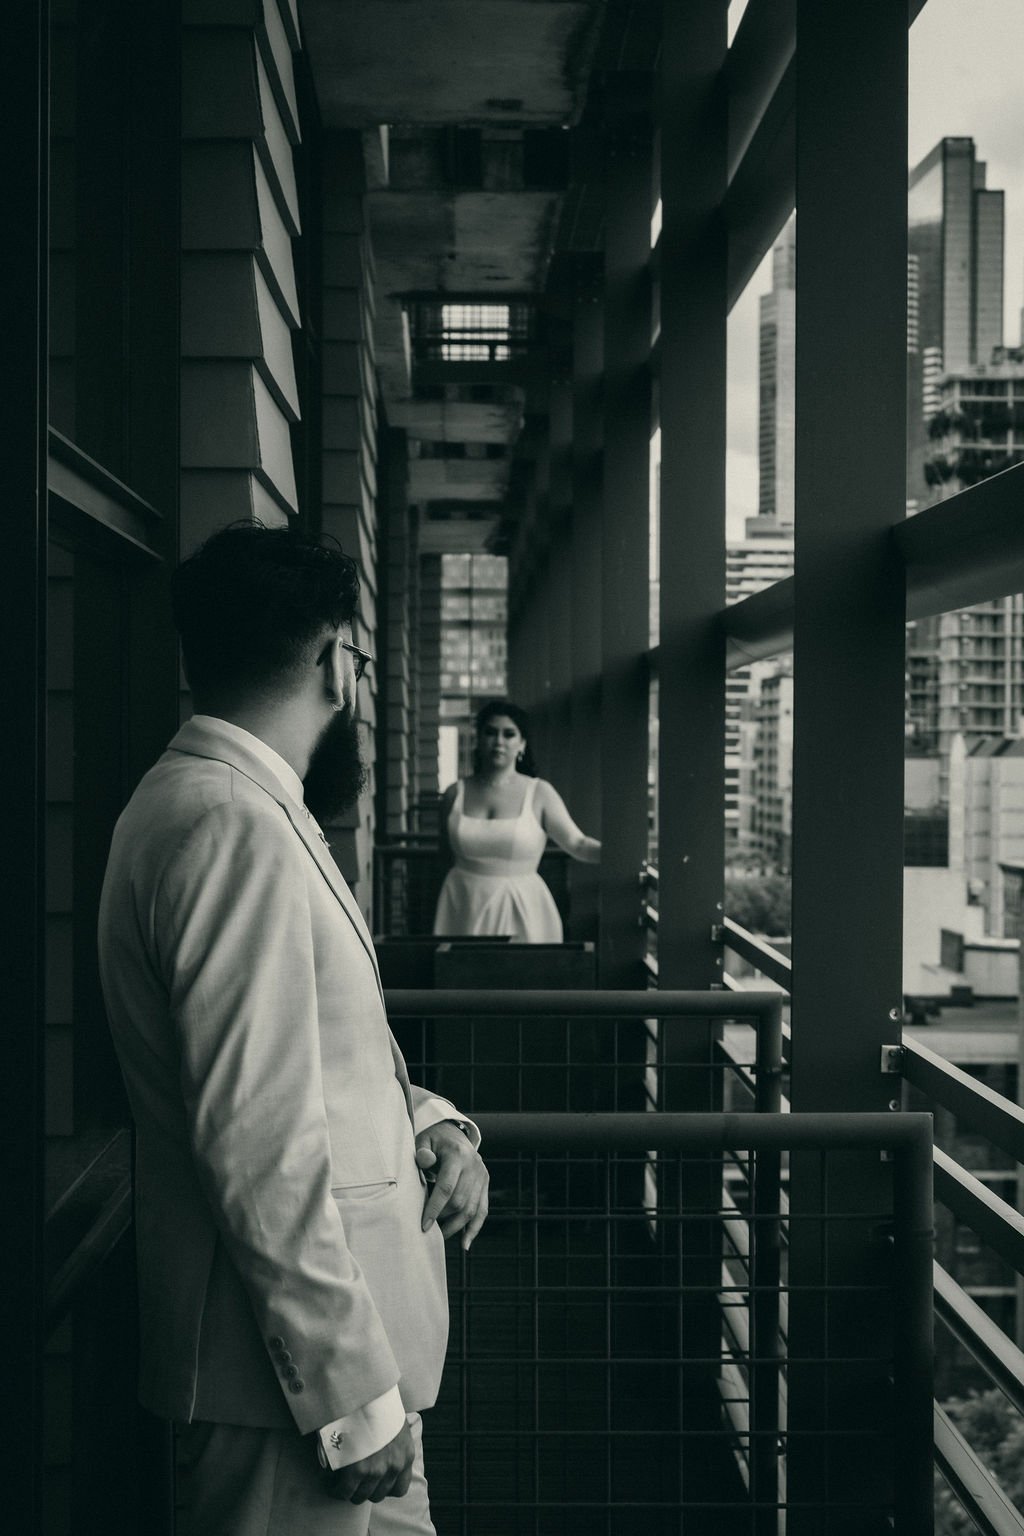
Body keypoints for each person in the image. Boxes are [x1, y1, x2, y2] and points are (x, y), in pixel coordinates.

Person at [97, 522, 488, 1536]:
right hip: (289, 1391)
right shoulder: (229, 822)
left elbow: (303, 1055)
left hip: (316, 1375)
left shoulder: (230, 804)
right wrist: (350, 1397)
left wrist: (430, 1122)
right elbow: (255, 1134)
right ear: (335, 662)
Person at [433, 699, 600, 942]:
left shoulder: (540, 793)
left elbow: (578, 843)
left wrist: (620, 855)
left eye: (509, 734)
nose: (499, 741)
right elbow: (443, 857)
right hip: (462, 903)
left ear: (522, 744)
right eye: (490, 732)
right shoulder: (454, 794)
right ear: (479, 739)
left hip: (523, 905)